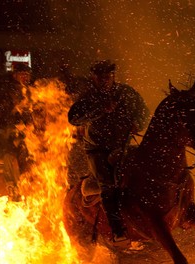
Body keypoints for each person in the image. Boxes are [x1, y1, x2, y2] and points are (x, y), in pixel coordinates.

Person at [68, 60, 149, 243]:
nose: (104, 80)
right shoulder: (88, 97)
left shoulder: (126, 93)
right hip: (98, 149)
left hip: (123, 146)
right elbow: (73, 118)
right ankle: (117, 229)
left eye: (107, 76)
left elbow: (144, 111)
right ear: (94, 78)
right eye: (100, 77)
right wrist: (100, 110)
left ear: (113, 76)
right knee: (108, 184)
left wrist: (139, 123)